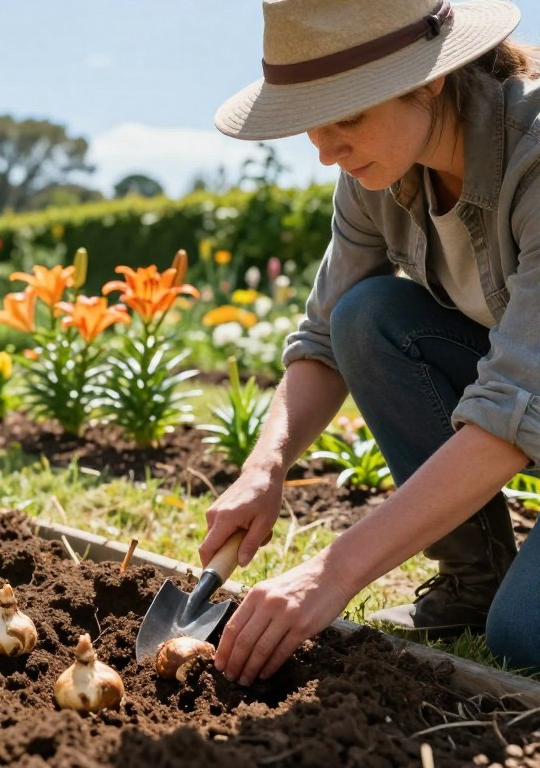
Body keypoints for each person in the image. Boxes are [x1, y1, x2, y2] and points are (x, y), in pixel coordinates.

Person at [201, 0, 540, 687]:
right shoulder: (375, 174)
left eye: (346, 116)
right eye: (310, 123)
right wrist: (265, 468)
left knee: (524, 638)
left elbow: (516, 401)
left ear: (429, 78)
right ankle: (474, 580)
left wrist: (332, 573)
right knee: (368, 314)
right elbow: (326, 336)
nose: (325, 148)